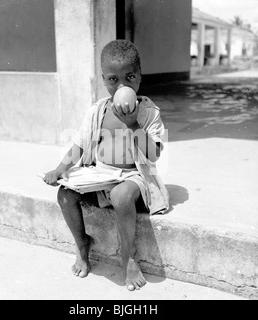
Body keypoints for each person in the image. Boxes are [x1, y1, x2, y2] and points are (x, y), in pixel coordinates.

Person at [43, 40, 169, 291]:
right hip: (99, 174)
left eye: (129, 77)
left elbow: (153, 154)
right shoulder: (98, 110)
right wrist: (60, 168)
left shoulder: (148, 112)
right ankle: (82, 245)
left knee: (121, 195)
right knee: (64, 194)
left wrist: (134, 125)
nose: (122, 85)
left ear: (140, 76)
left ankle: (128, 256)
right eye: (113, 79)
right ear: (103, 79)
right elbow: (79, 144)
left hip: (132, 176)